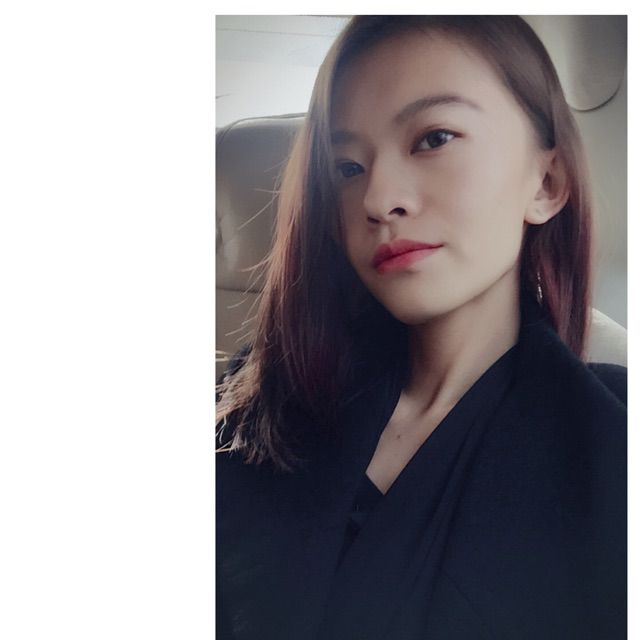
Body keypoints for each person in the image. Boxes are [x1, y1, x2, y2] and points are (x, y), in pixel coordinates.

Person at [216, 15, 626, 640]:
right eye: (347, 168)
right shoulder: (257, 401)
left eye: (434, 138)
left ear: (546, 183)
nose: (378, 200)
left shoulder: (613, 446)